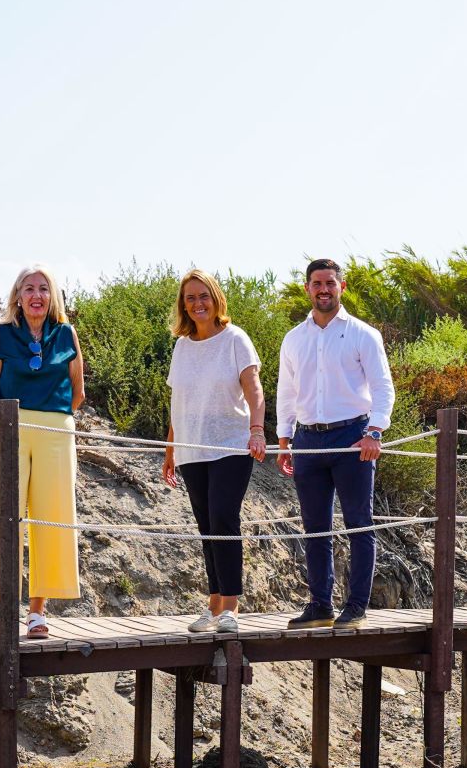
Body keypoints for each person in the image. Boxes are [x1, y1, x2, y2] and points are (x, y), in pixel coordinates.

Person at [0, 265, 84, 640]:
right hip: (10, 428)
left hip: (55, 432)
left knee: (50, 517)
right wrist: (7, 423)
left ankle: (37, 613)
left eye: (43, 288)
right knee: (2, 515)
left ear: (53, 297)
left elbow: (77, 392)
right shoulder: (2, 335)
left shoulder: (67, 334)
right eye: (28, 288)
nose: (36, 295)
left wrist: (49, 419)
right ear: (17, 296)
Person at [275, 257, 394, 630]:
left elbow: (382, 387)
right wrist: (284, 437)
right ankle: (320, 604)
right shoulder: (294, 338)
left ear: (342, 287)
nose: (323, 289)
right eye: (316, 283)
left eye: (330, 283)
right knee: (315, 528)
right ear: (307, 288)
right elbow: (287, 391)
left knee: (358, 523)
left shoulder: (363, 334)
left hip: (352, 437)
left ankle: (357, 605)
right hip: (308, 440)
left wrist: (375, 431)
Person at [160, 269, 265, 634]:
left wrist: (256, 430)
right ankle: (214, 603)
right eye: (190, 298)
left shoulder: (236, 339)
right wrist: (171, 448)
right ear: (183, 305)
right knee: (207, 527)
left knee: (223, 518)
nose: (197, 304)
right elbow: (179, 401)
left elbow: (254, 389)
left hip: (231, 443)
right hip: (191, 446)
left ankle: (230, 609)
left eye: (203, 296)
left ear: (215, 298)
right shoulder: (182, 346)